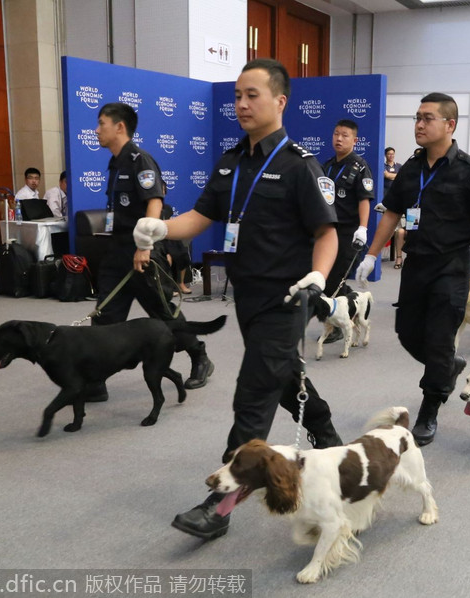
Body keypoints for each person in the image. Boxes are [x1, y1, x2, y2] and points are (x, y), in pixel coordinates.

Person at [132, 59, 343, 541]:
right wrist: (162, 227)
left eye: (253, 95)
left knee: (252, 395)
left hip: (286, 301)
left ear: (280, 101)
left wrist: (318, 274)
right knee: (284, 375)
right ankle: (328, 436)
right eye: (237, 96)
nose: (242, 104)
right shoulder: (231, 160)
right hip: (246, 298)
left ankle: (220, 504)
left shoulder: (299, 165)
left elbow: (326, 233)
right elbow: (202, 216)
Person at [356, 92, 470, 447]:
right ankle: (447, 367)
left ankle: (429, 408)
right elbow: (391, 213)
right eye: (417, 118)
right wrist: (372, 254)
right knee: (407, 332)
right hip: (416, 264)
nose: (419, 125)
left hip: (451, 267)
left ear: (449, 125)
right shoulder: (412, 167)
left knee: (437, 339)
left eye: (427, 118)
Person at [90, 102, 212, 402]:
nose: (96, 130)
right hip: (116, 253)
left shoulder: (139, 160)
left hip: (141, 254)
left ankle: (199, 357)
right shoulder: (115, 162)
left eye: (101, 123)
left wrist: (144, 247)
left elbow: (154, 203)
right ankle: (95, 379)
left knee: (163, 316)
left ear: (120, 127)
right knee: (104, 317)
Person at [321, 118, 374, 299]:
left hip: (348, 233)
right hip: (327, 230)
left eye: (345, 135)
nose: (339, 139)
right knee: (326, 280)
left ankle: (342, 321)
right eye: (336, 134)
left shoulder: (360, 167)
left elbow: (364, 199)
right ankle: (351, 311)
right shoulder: (327, 166)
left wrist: (363, 228)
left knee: (336, 280)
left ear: (354, 140)